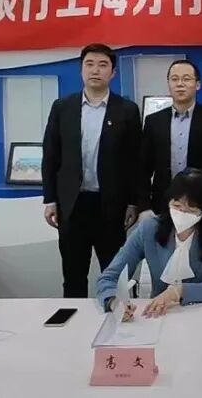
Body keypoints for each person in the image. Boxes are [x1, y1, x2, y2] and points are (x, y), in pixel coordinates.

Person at [42, 44, 142, 298]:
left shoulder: (127, 110)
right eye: (90, 64)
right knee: (73, 275)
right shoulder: (62, 107)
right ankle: (74, 322)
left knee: (116, 276)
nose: (95, 70)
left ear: (113, 72)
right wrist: (50, 199)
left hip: (111, 205)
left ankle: (119, 317)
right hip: (72, 204)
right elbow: (51, 156)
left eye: (102, 65)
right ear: (81, 70)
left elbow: (134, 161)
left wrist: (134, 202)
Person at [97, 168, 202, 317]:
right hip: (159, 314)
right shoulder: (149, 228)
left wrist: (179, 291)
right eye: (177, 206)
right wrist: (115, 303)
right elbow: (108, 278)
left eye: (191, 209)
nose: (182, 213)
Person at [140, 59, 202, 218]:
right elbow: (143, 167)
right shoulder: (153, 121)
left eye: (186, 79)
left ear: (198, 85)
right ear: (168, 84)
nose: (180, 84)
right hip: (162, 202)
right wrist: (143, 206)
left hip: (201, 201)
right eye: (174, 79)